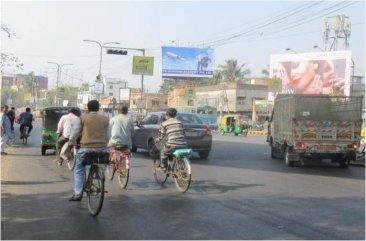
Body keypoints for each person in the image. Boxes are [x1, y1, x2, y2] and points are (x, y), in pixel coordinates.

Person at [68, 100, 109, 201]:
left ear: (88, 108)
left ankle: (78, 193)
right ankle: (99, 173)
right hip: (102, 149)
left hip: (86, 149)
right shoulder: (105, 118)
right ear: (98, 108)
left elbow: (75, 132)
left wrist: (71, 142)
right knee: (102, 161)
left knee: (79, 169)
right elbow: (108, 135)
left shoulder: (82, 118)